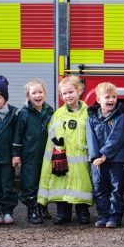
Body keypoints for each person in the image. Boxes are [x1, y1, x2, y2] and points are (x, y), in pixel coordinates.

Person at [37, 76, 93, 225]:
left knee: (82, 184)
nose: (67, 96)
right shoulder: (58, 114)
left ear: (79, 91)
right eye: (64, 93)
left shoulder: (88, 113)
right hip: (62, 160)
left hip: (82, 158)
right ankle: (63, 213)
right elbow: (51, 137)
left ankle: (83, 212)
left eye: (70, 92)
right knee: (61, 185)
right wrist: (55, 154)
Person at [12, 79, 54, 224]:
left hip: (47, 154)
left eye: (40, 92)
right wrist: (16, 154)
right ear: (28, 96)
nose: (37, 95)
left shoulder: (50, 111)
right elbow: (18, 135)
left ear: (45, 93)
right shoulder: (24, 113)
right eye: (34, 93)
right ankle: (32, 210)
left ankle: (42, 206)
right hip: (30, 155)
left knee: (45, 181)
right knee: (30, 183)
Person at [87, 82, 124, 228]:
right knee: (99, 187)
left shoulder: (120, 117)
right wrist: (95, 157)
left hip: (116, 159)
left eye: (114, 97)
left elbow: (116, 138)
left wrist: (104, 154)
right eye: (107, 97)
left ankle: (115, 216)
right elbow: (90, 138)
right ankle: (103, 215)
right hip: (97, 160)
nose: (111, 100)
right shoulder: (92, 118)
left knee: (116, 188)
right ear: (98, 100)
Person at [0, 76, 18, 225]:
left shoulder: (12, 116)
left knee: (8, 185)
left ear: (5, 99)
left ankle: (8, 211)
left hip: (7, 159)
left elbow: (16, 137)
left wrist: (15, 155)